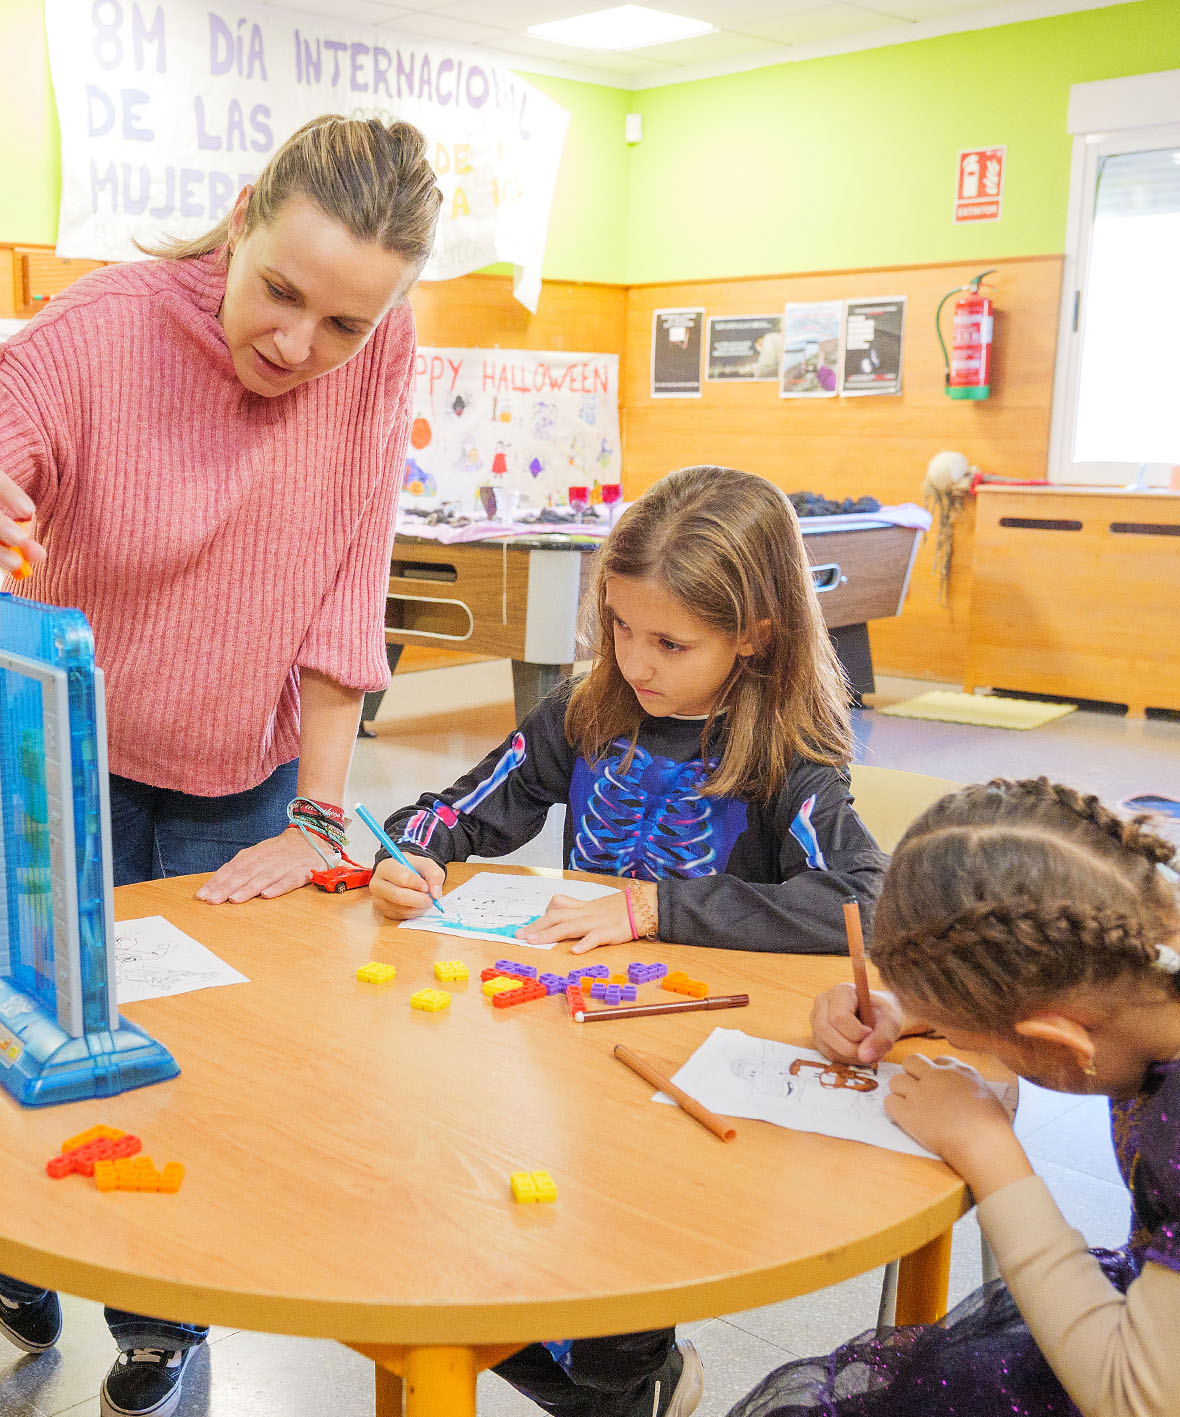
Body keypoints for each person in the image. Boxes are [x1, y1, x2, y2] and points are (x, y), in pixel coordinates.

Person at [0, 114, 441, 1417]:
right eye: (279, 291)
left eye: (342, 325)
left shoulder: (378, 358)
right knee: (54, 1032)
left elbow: (346, 580)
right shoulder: (98, 334)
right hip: (74, 776)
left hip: (249, 785)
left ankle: (159, 1325)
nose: (298, 346)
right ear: (237, 217)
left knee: (200, 1068)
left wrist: (322, 815)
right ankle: (14, 1240)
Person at [370, 464, 889, 1417]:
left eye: (670, 642)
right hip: (571, 1039)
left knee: (613, 1315)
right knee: (472, 1251)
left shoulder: (789, 754)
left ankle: (636, 1376)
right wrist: (411, 851)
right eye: (618, 626)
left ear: (755, 634)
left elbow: (864, 897)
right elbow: (462, 809)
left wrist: (657, 909)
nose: (636, 661)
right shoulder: (586, 710)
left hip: (702, 1060)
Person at [742, 777, 1180, 1417]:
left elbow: (1135, 1400)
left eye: (995, 1044)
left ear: (1059, 1033)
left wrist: (986, 1147)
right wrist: (916, 1005)